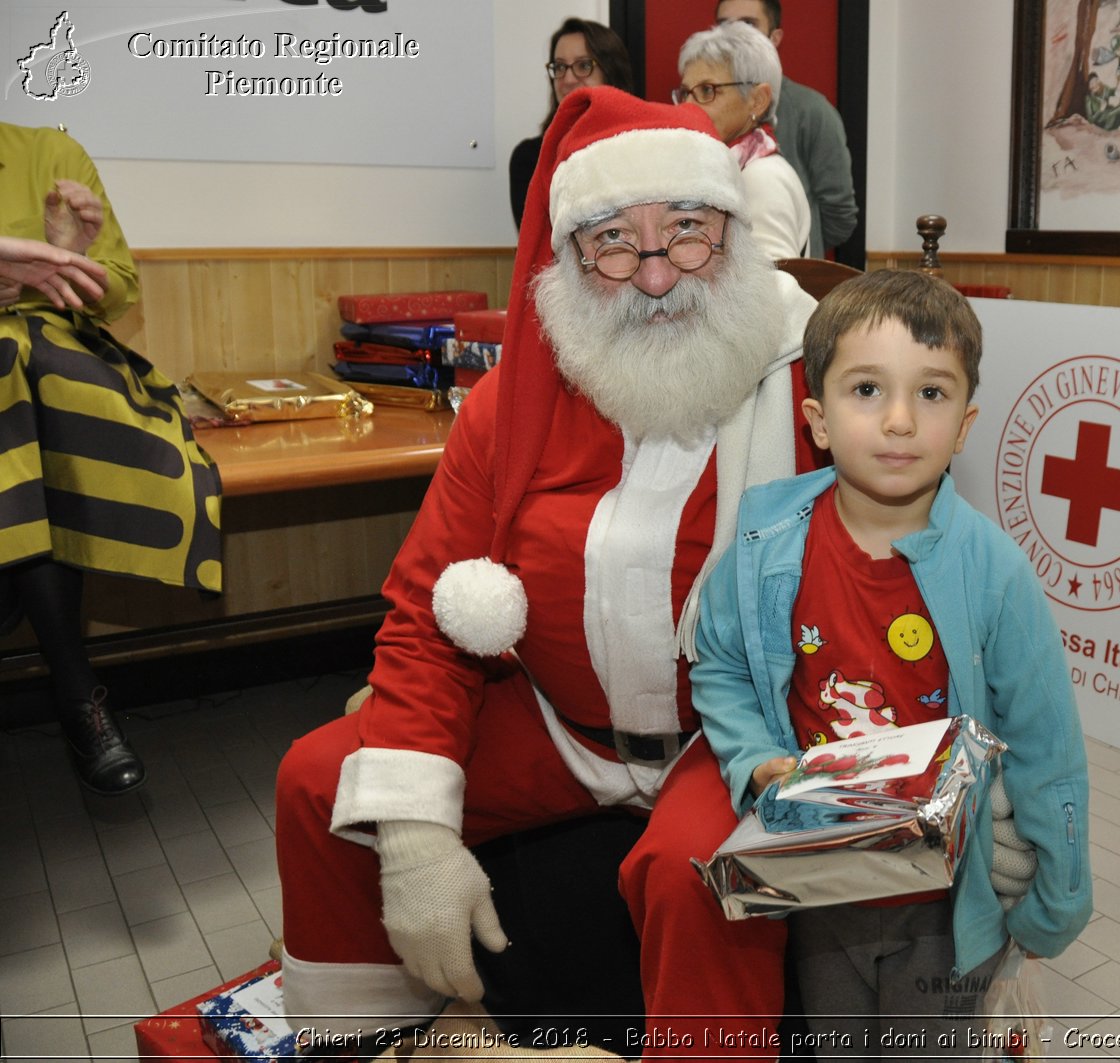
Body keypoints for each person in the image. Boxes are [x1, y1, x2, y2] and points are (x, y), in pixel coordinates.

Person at [274, 87, 823, 1055]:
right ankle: (379, 1038)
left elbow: (911, 580)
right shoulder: (511, 402)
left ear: (734, 237)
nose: (656, 277)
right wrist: (411, 835)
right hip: (557, 730)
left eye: (687, 231)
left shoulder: (814, 377)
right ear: (568, 260)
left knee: (701, 878)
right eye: (614, 241)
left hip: (734, 740)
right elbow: (423, 608)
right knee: (322, 782)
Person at [691, 270, 1093, 1052]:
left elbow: (1050, 746)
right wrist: (757, 759)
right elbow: (721, 664)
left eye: (933, 394)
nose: (902, 420)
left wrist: (1057, 898)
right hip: (823, 882)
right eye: (868, 389)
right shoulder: (766, 543)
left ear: (967, 423)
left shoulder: (995, 572)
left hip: (947, 902)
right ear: (817, 417)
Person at [1, 122, 223, 797]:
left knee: (37, 391)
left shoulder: (51, 153)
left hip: (62, 383)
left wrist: (76, 261)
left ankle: (67, 680)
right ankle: (77, 692)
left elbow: (119, 291)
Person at [715, 0, 859, 259]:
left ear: (775, 37)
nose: (735, 36)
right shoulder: (703, 108)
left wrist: (798, 241)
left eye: (749, 24)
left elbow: (840, 217)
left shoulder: (812, 111)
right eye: (725, 25)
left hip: (794, 279)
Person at [675, 20, 810, 260]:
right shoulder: (724, 166)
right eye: (685, 92)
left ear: (757, 100)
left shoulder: (762, 176)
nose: (688, 105)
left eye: (707, 90)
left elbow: (777, 285)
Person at [508, 17, 634, 230]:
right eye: (559, 67)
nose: (567, 79)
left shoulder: (643, 146)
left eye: (583, 65)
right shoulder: (530, 158)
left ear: (611, 73)